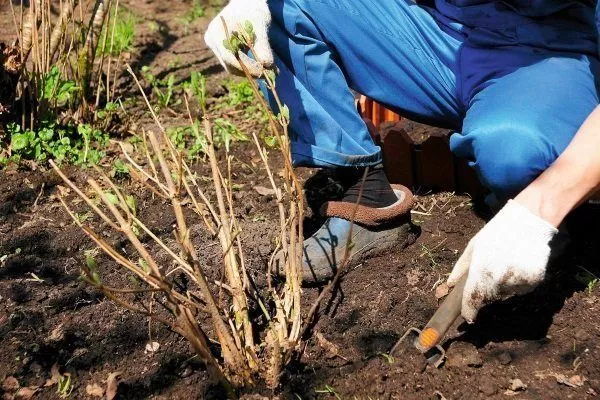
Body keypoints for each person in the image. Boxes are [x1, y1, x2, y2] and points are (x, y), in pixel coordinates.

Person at [204, 0, 600, 323]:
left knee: (514, 156)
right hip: (441, 34)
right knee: (283, 8)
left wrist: (545, 203)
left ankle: (534, 201)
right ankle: (365, 197)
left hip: (551, 53)